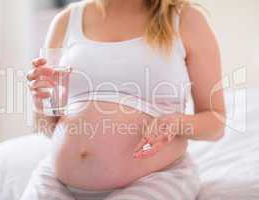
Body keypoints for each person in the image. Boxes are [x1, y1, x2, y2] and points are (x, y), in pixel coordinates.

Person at [23, 0, 225, 199]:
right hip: (59, 181)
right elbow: (48, 127)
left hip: (155, 178)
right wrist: (41, 103)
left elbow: (216, 123)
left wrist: (175, 122)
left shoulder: (186, 19)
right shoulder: (66, 21)